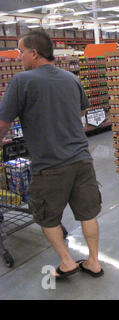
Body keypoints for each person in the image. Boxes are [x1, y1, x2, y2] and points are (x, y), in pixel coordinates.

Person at [0, 31, 103, 279]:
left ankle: (67, 262)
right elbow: (79, 115)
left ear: (34, 53)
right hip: (82, 159)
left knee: (46, 216)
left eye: (21, 52)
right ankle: (93, 261)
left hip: (49, 165)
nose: (19, 57)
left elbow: (3, 123)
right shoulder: (71, 78)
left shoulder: (21, 81)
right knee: (88, 213)